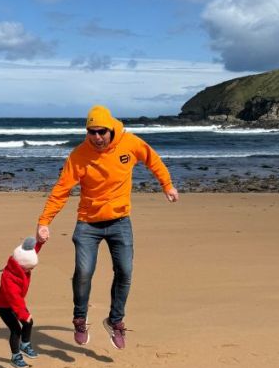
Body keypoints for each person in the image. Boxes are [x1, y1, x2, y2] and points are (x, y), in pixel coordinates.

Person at [35, 105, 178, 350]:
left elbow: (152, 160)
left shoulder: (130, 143)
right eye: (92, 132)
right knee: (84, 272)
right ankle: (80, 319)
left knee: (125, 271)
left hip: (120, 222)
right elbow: (61, 191)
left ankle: (115, 320)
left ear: (111, 129)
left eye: (102, 131)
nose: (97, 137)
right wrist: (44, 222)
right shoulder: (79, 155)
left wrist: (167, 185)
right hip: (88, 224)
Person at [0, 236, 44, 368]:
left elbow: (31, 252)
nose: (30, 271)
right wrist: (22, 314)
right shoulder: (8, 278)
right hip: (4, 307)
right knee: (16, 330)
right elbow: (13, 298)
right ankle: (15, 357)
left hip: (17, 303)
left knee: (29, 322)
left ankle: (25, 344)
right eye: (29, 269)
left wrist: (40, 242)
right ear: (21, 267)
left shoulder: (21, 260)